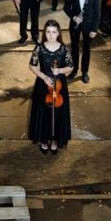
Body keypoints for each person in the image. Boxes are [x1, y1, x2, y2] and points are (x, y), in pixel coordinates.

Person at [27, 20, 73, 154]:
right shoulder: (39, 48)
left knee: (58, 113)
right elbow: (32, 65)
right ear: (45, 33)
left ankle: (54, 140)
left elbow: (71, 66)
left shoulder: (64, 49)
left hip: (59, 86)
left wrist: (59, 71)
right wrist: (44, 77)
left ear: (58, 33)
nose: (51, 35)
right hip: (43, 84)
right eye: (48, 32)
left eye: (54, 32)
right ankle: (44, 139)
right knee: (43, 113)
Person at [64, 0, 100, 83]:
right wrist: (74, 17)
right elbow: (66, 7)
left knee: (86, 49)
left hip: (88, 26)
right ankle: (74, 70)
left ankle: (85, 72)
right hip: (75, 24)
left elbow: (97, 13)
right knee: (74, 48)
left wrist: (94, 29)